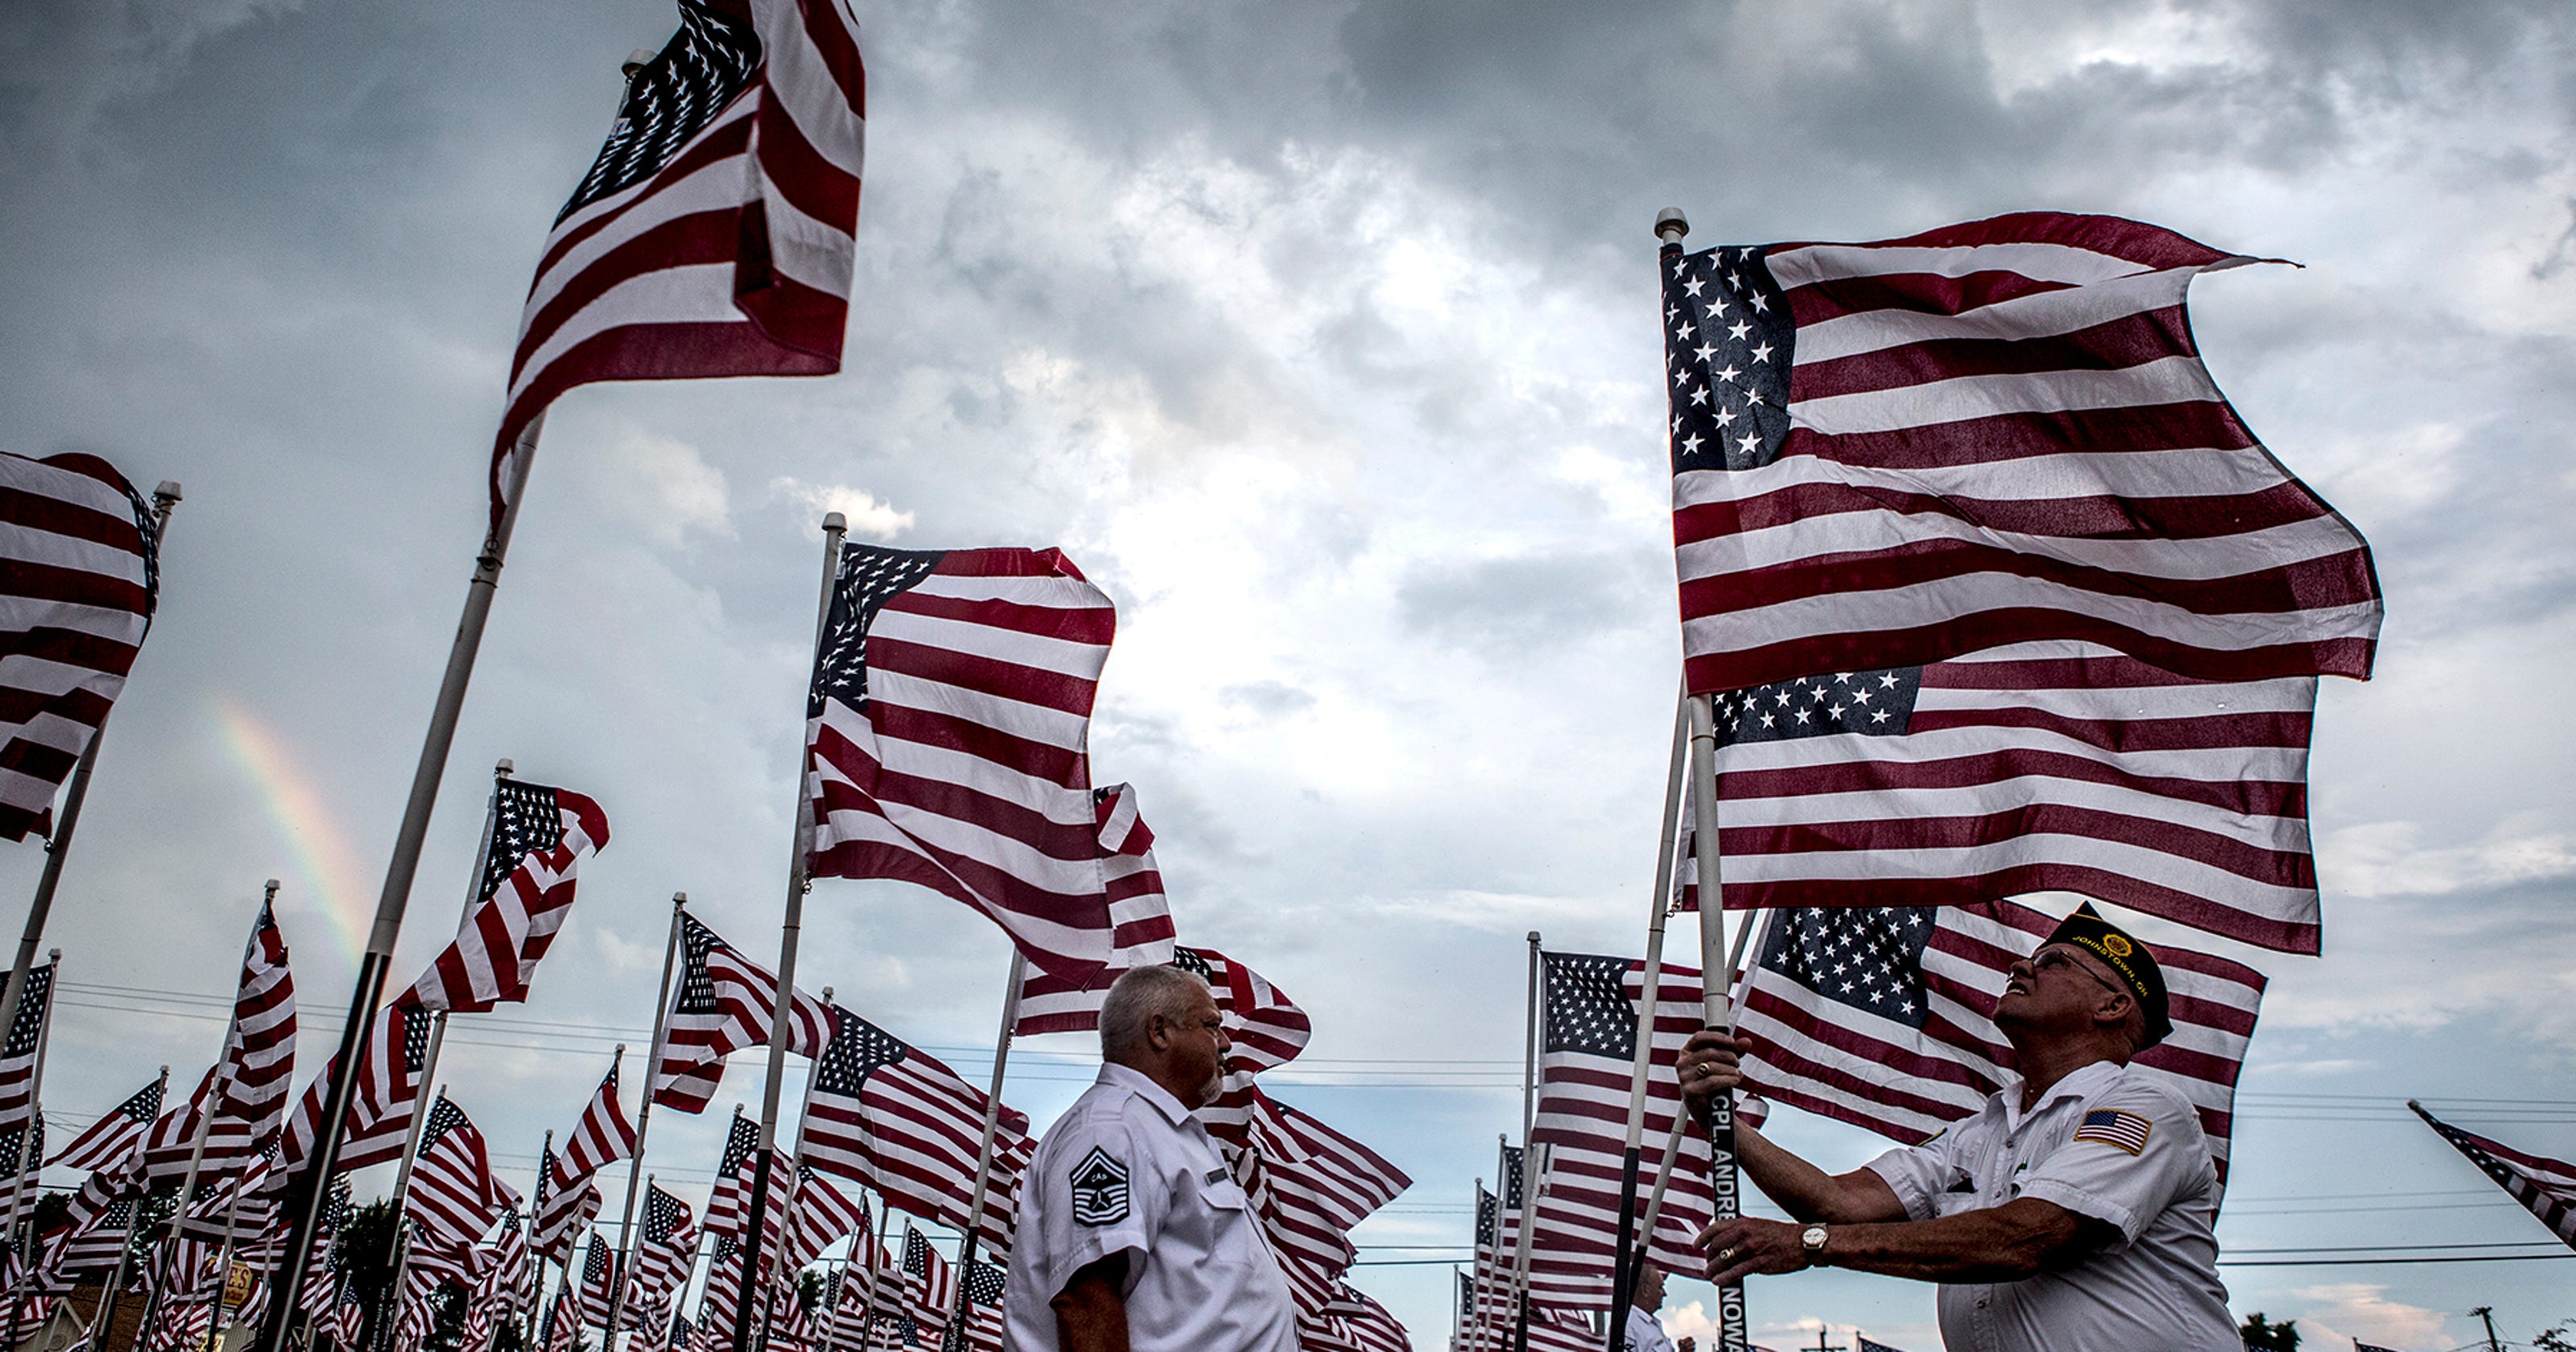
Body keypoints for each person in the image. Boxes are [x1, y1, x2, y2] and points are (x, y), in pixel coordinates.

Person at [1678, 905, 2238, 1351]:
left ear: (2112, 1007)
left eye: (2054, 962)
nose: (2021, 967)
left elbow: (2026, 1238)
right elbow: (1839, 1203)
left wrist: (1810, 1244)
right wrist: (1719, 1119)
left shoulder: (2145, 1106)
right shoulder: (1981, 1131)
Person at [1001, 962, 1297, 1352]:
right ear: (1159, 1031)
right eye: (1212, 1026)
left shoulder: (1164, 1132)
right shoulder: (1112, 1131)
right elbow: (1087, 1299)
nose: (1225, 1043)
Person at [1623, 1263, 1695, 1352]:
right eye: (1660, 1287)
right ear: (1645, 1290)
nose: (1664, 1293)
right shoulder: (1629, 1326)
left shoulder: (1649, 1325)